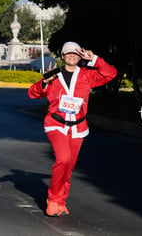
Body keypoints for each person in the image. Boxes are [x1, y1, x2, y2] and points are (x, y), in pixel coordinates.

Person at [28, 41, 117, 216]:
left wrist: (95, 59)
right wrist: (44, 82)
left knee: (69, 166)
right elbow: (32, 93)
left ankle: (61, 201)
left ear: (80, 56)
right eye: (68, 53)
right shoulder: (54, 75)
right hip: (56, 124)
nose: (72, 56)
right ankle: (53, 200)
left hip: (78, 127)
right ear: (62, 56)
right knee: (63, 159)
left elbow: (111, 74)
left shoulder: (87, 75)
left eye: (75, 54)